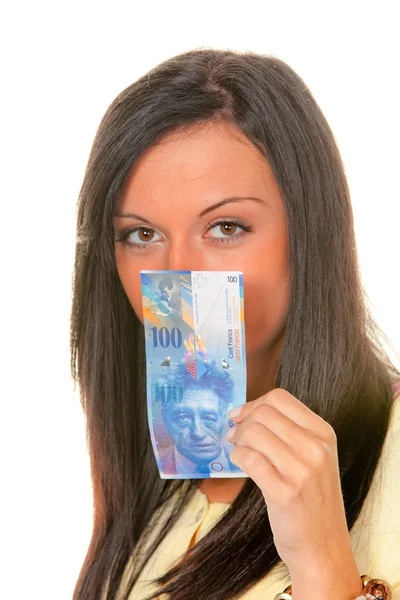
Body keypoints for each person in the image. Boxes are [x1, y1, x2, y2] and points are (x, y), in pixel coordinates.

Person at [70, 48, 400, 600]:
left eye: (225, 227)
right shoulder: (145, 465)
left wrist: (322, 564)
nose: (179, 275)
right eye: (141, 235)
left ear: (308, 235)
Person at [156, 359, 242, 475]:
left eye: (209, 418)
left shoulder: (245, 462)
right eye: (183, 418)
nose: (198, 433)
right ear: (165, 419)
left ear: (223, 417)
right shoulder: (150, 467)